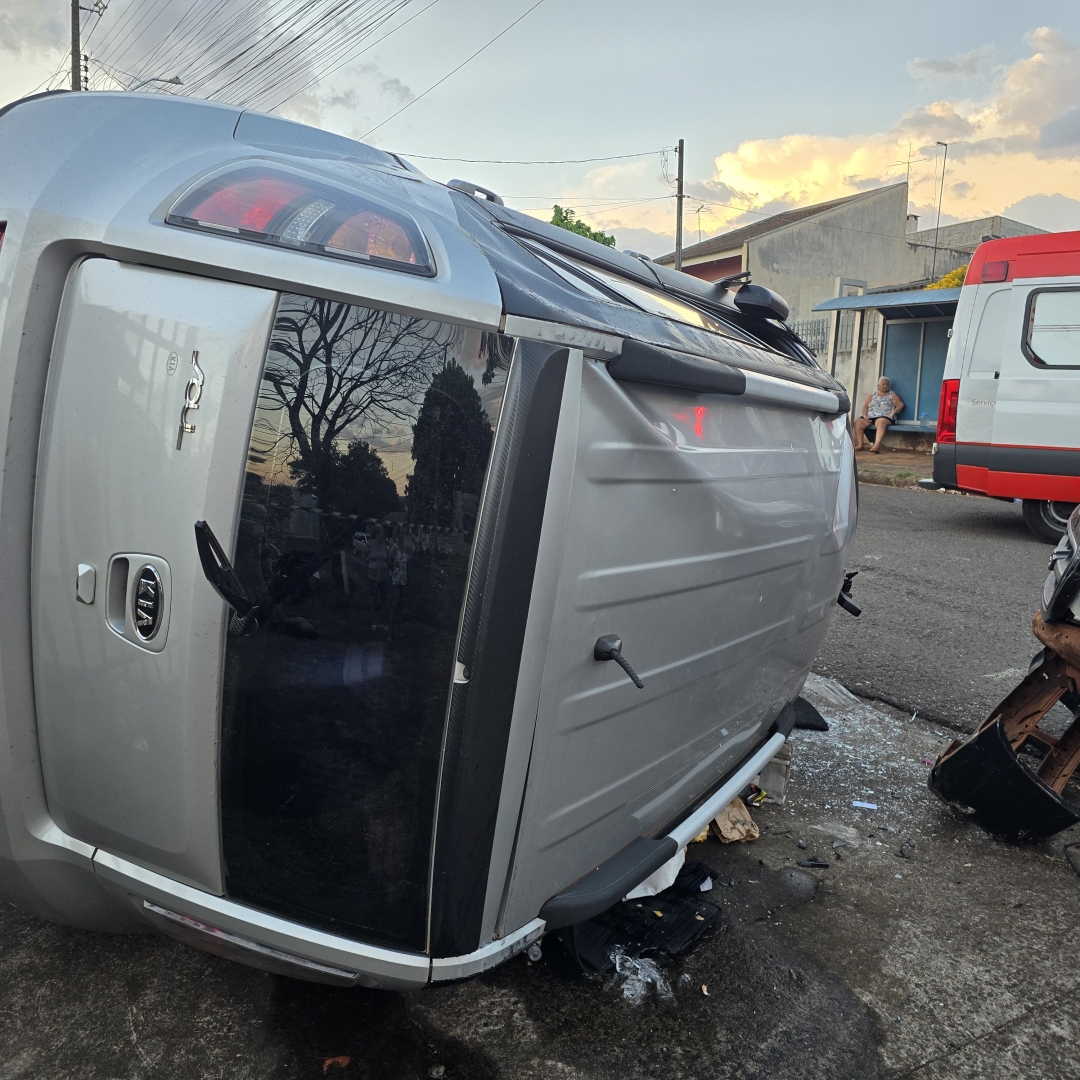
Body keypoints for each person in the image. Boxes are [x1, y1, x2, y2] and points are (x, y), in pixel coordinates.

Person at [855, 376, 904, 452]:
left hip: (885, 416)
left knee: (880, 422)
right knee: (858, 423)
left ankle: (876, 446)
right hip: (871, 416)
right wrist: (864, 415)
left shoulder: (892, 394)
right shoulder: (873, 394)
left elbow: (901, 404)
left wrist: (893, 412)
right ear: (878, 385)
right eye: (883, 384)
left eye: (887, 384)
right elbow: (865, 406)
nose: (885, 386)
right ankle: (860, 445)